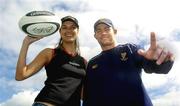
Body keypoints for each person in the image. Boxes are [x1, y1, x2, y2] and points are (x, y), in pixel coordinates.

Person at [83, 18, 174, 106]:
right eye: (98, 31)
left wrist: (161, 60)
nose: (103, 33)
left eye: (107, 29)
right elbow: (90, 95)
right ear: (95, 36)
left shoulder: (130, 49)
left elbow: (151, 66)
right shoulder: (92, 63)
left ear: (115, 31)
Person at [16, 16, 86, 106]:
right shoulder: (50, 53)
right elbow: (21, 75)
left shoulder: (84, 62)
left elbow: (83, 94)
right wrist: (26, 43)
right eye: (64, 27)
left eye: (73, 27)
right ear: (60, 31)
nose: (68, 30)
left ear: (77, 31)